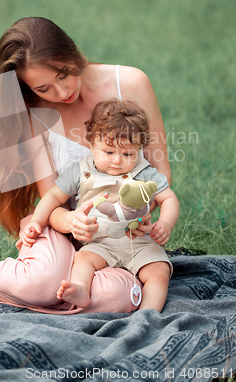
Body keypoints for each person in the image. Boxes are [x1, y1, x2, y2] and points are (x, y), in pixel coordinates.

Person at [0, 17, 172, 314]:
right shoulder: (35, 116)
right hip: (59, 229)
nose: (61, 92)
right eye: (44, 88)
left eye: (63, 74)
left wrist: (144, 214)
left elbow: (160, 176)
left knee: (116, 299)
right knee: (41, 283)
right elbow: (53, 201)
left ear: (72, 53)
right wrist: (71, 222)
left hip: (117, 237)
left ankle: (51, 290)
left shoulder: (131, 83)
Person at [21, 99, 179, 312]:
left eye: (127, 154)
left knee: (159, 271)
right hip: (99, 242)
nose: (117, 161)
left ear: (140, 149)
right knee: (83, 260)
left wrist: (165, 223)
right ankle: (80, 290)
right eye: (109, 152)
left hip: (138, 241)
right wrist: (37, 222)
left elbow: (168, 198)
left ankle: (148, 314)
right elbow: (52, 197)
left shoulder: (145, 172)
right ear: (92, 143)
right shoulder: (81, 170)